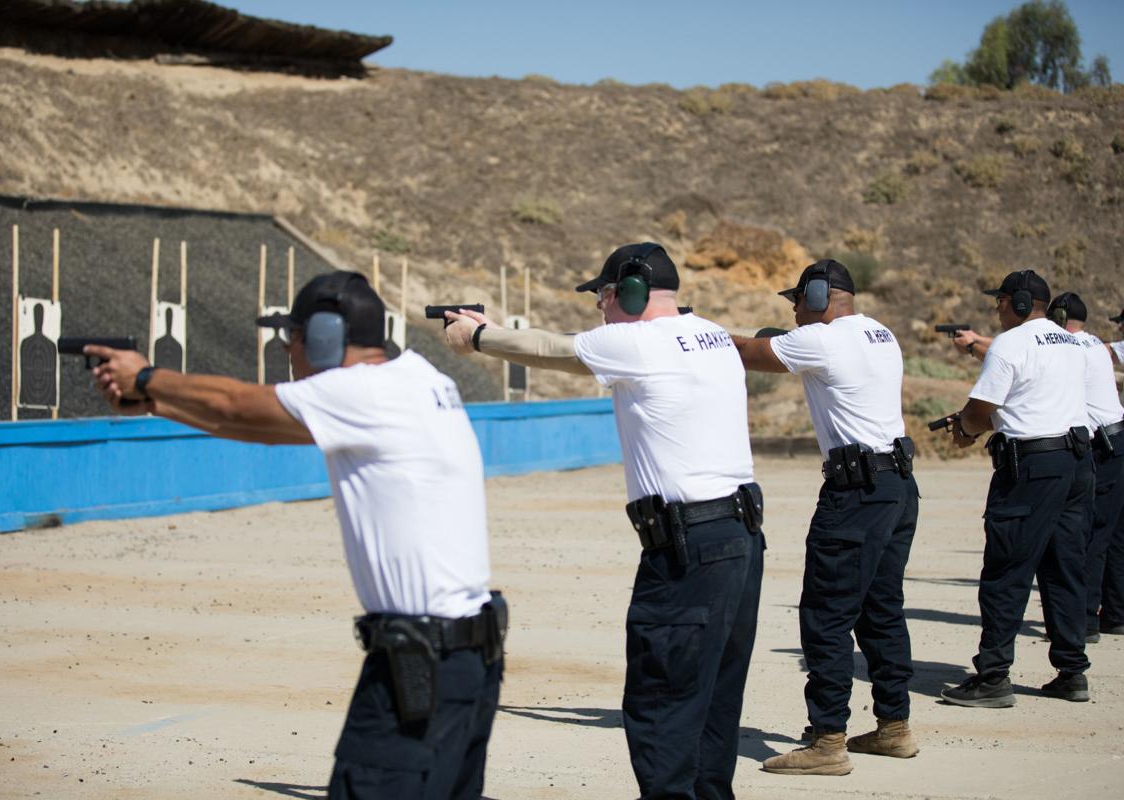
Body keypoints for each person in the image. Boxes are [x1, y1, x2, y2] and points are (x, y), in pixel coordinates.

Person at [86, 271, 506, 800]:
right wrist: (157, 404)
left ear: (326, 336)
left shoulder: (360, 392)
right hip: (468, 662)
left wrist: (147, 378)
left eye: (294, 337)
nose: (289, 351)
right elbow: (265, 425)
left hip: (418, 666)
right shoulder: (415, 378)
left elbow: (238, 405)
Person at [444, 242, 764, 800]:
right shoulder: (712, 335)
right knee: (712, 697)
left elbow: (547, 348)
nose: (601, 308)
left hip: (687, 545)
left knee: (661, 702)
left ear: (633, 292)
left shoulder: (639, 340)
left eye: (606, 295)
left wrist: (478, 336)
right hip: (738, 536)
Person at [730, 259, 919, 777]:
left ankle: (829, 740)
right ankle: (893, 726)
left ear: (819, 294)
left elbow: (749, 352)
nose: (793, 309)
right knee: (882, 608)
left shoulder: (823, 340)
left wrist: (694, 334)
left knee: (827, 614)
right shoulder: (880, 333)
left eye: (798, 299)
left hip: (856, 492)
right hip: (898, 484)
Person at [939, 269, 1093, 708]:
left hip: (1033, 466)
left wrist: (966, 430)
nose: (998, 309)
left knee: (1007, 569)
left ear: (1020, 303)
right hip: (1076, 462)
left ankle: (993, 676)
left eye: (1001, 301)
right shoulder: (1070, 341)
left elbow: (982, 408)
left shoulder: (1010, 343)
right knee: (1064, 569)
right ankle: (1071, 671)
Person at [1045, 294, 1124, 641]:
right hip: (1117, 440)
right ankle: (1115, 613)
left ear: (1060, 319)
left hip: (1105, 447)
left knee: (1090, 534)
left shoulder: (1071, 347)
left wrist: (977, 345)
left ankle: (1085, 619)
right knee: (1115, 535)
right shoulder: (1093, 345)